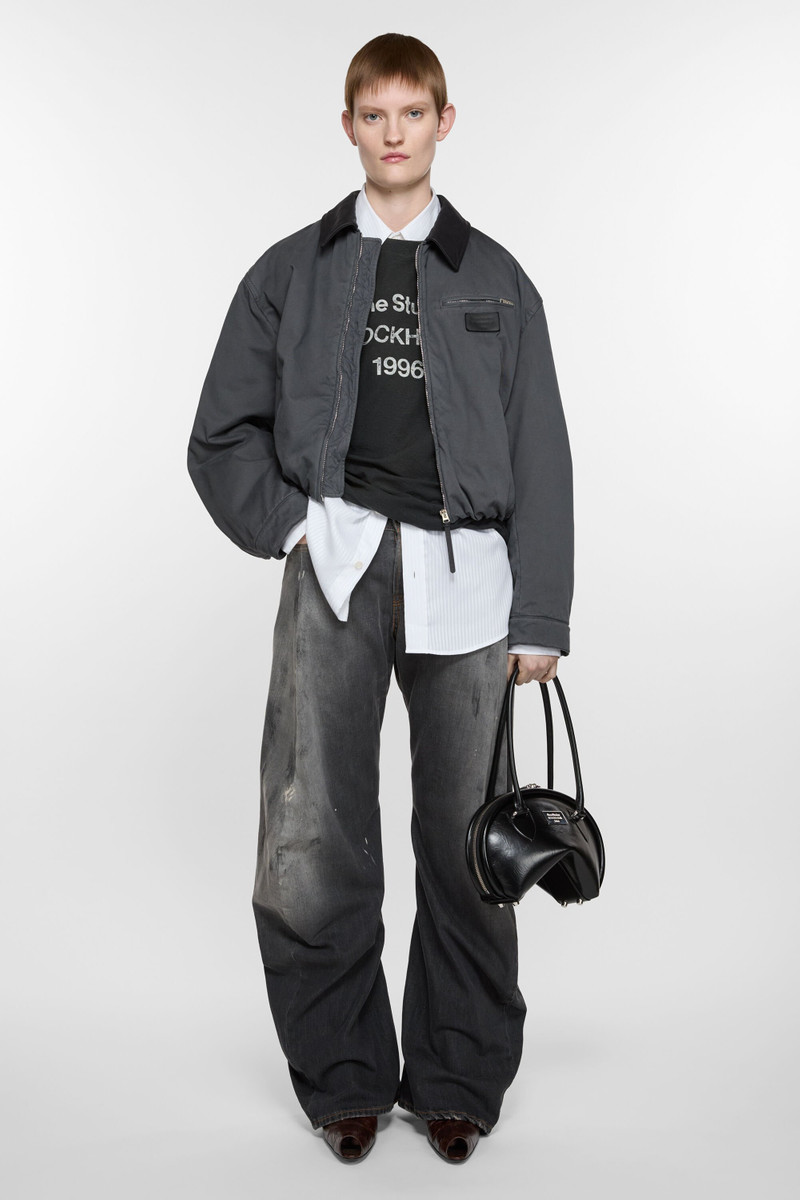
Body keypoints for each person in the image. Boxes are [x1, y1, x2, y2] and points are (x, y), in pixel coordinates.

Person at [187, 32, 574, 1165]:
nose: (394, 133)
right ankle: (344, 1076)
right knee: (312, 836)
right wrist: (295, 527)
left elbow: (539, 451)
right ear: (349, 126)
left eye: (413, 113)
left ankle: (454, 1078)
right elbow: (219, 434)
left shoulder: (497, 278)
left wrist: (541, 616)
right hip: (337, 573)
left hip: (473, 586)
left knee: (470, 843)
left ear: (443, 123)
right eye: (374, 115)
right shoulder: (290, 271)